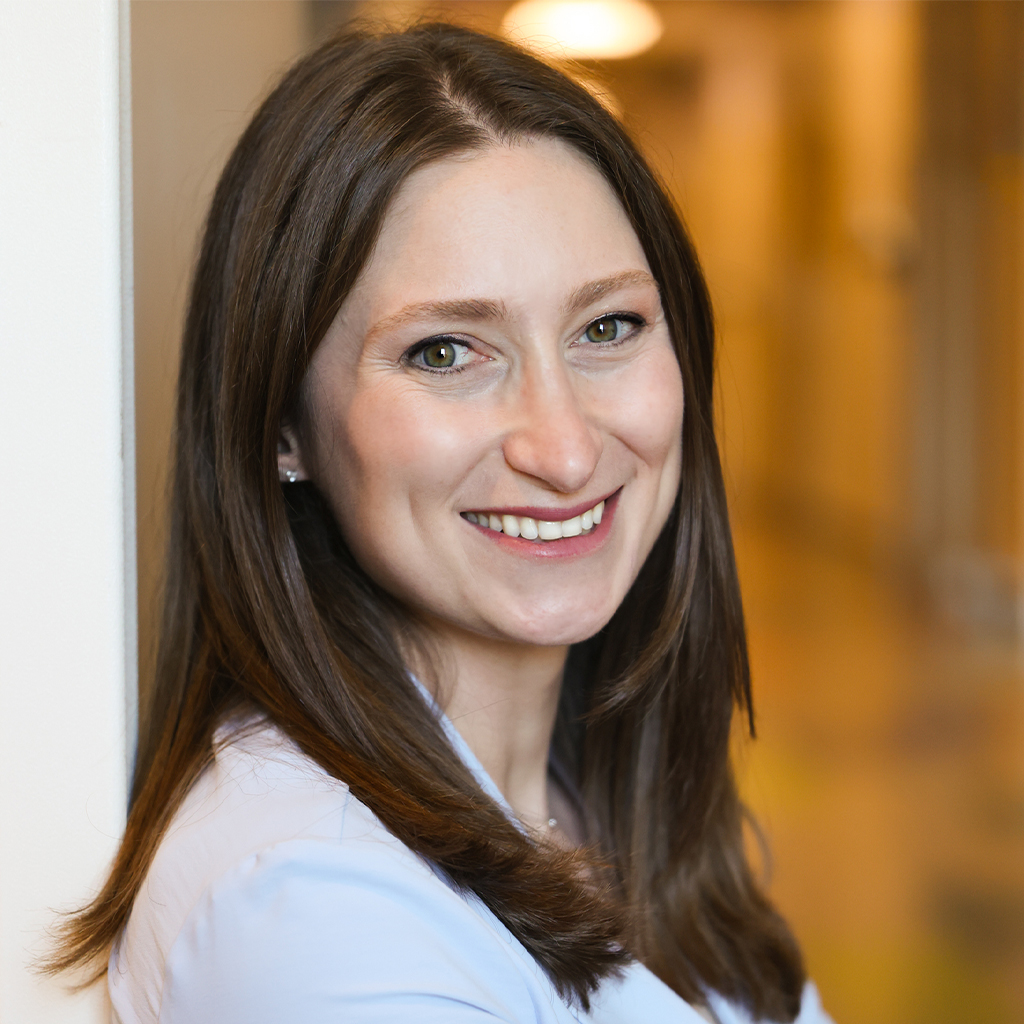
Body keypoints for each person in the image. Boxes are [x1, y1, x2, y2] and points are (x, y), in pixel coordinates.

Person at [51, 21, 833, 1024]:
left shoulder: (599, 797)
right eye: (444, 352)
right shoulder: (307, 914)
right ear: (281, 423)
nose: (563, 448)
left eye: (607, 327)